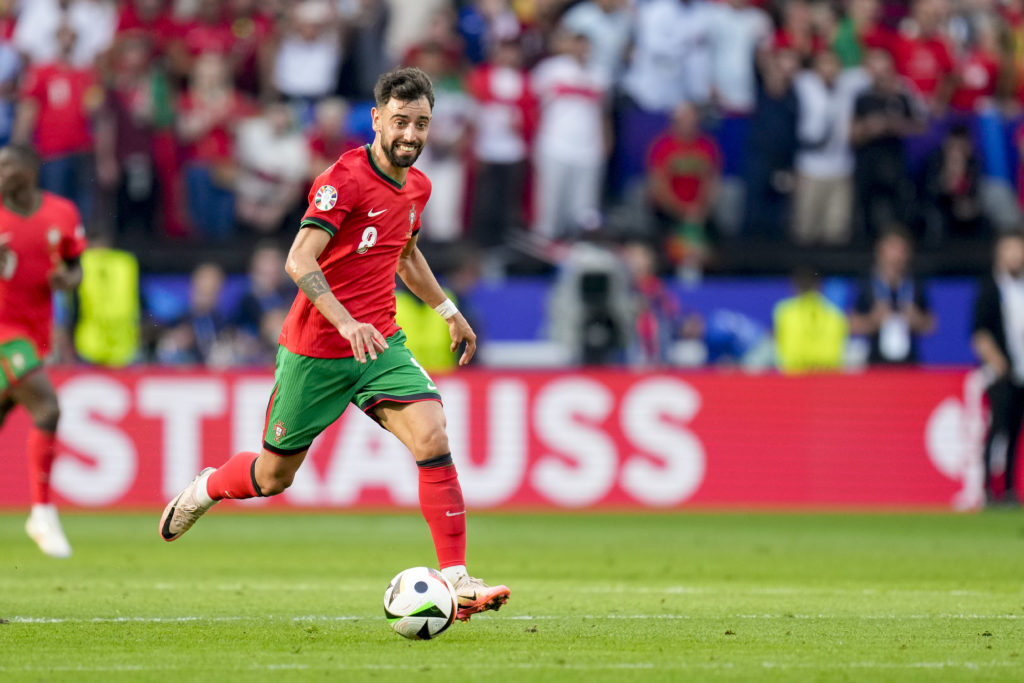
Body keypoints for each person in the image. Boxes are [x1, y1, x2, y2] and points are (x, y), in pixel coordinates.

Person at [159, 67, 510, 621]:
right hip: (317, 349)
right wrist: (345, 322)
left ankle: (457, 578)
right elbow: (298, 261)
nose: (411, 135)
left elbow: (405, 254)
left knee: (432, 434)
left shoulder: (418, 186)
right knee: (272, 477)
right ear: (376, 119)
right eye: (400, 122)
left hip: (380, 346)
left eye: (421, 123)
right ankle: (208, 487)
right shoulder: (342, 179)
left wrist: (447, 310)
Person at [0, 143, 87, 557]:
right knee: (47, 409)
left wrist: (66, 281)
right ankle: (42, 512)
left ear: (29, 170)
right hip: (3, 332)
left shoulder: (62, 212)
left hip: (34, 334)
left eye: (6, 166)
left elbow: (75, 266)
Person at [971, 232, 1024, 507]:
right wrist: (998, 362)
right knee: (998, 428)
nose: (1015, 256)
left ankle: (1011, 488)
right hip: (1001, 371)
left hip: (1022, 370)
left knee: (1016, 432)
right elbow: (979, 331)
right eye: (1010, 250)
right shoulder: (991, 287)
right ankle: (989, 489)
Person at [849, 228, 936, 365]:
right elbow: (851, 324)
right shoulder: (866, 284)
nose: (897, 256)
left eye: (902, 250)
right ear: (880, 252)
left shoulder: (915, 283)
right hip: (876, 363)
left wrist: (917, 320)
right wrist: (872, 320)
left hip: (910, 363)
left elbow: (931, 324)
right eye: (893, 249)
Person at [773, 266, 847, 374]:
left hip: (793, 379)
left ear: (794, 286)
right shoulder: (835, 313)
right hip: (827, 379)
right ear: (820, 286)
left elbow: (780, 351)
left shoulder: (784, 311)